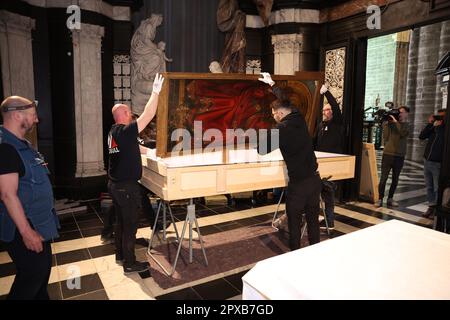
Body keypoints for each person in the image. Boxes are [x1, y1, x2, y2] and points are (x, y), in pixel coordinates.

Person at [0, 96, 59, 299]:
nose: (36, 120)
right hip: (24, 228)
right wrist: (27, 232)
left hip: (38, 224)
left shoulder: (21, 144)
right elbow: (7, 194)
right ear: (17, 115)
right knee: (31, 278)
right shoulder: (6, 147)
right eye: (33, 115)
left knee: (40, 279)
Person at [108, 73, 164, 274]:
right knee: (130, 225)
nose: (132, 115)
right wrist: (155, 92)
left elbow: (132, 147)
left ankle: (120, 255)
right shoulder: (124, 130)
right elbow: (148, 115)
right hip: (126, 187)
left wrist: (151, 152)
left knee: (121, 222)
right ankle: (130, 263)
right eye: (129, 112)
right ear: (122, 114)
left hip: (115, 185)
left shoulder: (114, 132)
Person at [258, 73, 321, 250]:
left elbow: (261, 150)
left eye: (273, 114)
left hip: (299, 184)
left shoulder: (281, 128)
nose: (273, 117)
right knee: (312, 222)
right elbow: (287, 102)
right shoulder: (298, 118)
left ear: (279, 113)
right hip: (315, 180)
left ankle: (294, 256)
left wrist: (268, 132)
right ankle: (316, 251)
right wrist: (272, 84)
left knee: (294, 224)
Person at [314, 84, 345, 229]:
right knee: (317, 193)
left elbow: (335, 105)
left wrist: (327, 93)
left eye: (328, 110)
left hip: (333, 163)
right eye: (324, 110)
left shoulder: (337, 123)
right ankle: (322, 219)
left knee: (328, 194)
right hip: (320, 164)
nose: (325, 112)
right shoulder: (321, 125)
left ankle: (330, 222)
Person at [376, 106, 410, 207]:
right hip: (388, 154)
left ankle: (390, 198)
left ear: (407, 114)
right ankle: (380, 198)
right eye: (398, 112)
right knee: (383, 178)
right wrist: (386, 124)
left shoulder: (406, 125)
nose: (399, 114)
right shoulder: (389, 124)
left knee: (395, 179)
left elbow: (403, 133)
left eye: (402, 112)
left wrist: (396, 123)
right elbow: (385, 137)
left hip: (399, 155)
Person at [419, 108, 446, 218]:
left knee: (437, 188)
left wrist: (439, 127)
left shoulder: (445, 129)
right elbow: (422, 136)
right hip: (427, 161)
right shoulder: (434, 127)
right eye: (437, 116)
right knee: (429, 187)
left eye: (441, 116)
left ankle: (437, 210)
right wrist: (430, 124)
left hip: (438, 163)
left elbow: (441, 140)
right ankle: (431, 206)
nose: (439, 118)